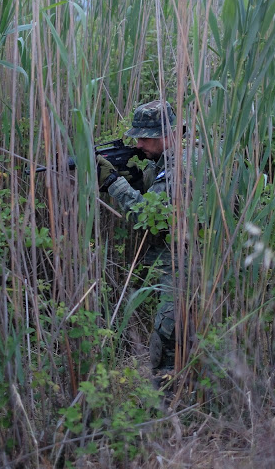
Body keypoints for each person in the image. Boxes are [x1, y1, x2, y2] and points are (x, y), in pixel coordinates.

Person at [97, 100, 180, 374]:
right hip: (170, 257)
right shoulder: (169, 158)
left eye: (146, 137)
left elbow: (148, 218)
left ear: (167, 134)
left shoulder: (181, 163)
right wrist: (136, 180)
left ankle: (169, 402)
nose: (140, 144)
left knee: (168, 337)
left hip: (184, 261)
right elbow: (158, 196)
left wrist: (114, 184)